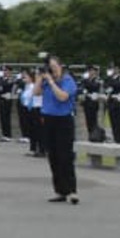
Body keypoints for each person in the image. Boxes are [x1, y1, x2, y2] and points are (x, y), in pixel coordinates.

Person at [39, 54, 79, 204]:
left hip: (64, 120)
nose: (52, 70)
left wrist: (51, 81)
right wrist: (40, 78)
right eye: (50, 68)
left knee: (65, 157)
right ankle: (60, 190)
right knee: (53, 156)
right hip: (49, 119)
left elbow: (62, 97)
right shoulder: (46, 81)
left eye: (54, 67)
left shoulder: (67, 80)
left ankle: (72, 191)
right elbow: (36, 92)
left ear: (60, 66)